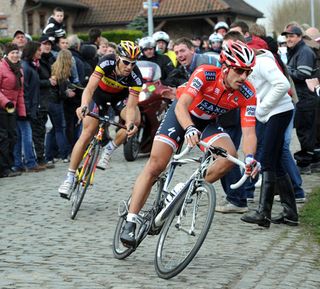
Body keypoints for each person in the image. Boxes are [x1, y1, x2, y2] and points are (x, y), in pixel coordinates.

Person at [120, 40, 260, 247]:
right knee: (156, 165)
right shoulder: (206, 74)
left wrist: (250, 158)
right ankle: (130, 220)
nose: (244, 77)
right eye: (239, 71)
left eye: (248, 72)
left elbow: (249, 132)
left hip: (207, 122)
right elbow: (181, 106)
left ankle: (182, 191)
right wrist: (189, 128)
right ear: (226, 67)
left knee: (229, 157)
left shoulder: (248, 93)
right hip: (180, 116)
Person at [58, 40, 143, 198]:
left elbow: (131, 106)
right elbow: (90, 88)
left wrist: (130, 124)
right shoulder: (106, 62)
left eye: (133, 63)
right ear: (118, 57)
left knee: (135, 121)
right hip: (99, 96)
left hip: (120, 100)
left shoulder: (136, 76)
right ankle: (69, 178)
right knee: (87, 133)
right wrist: (83, 105)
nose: (129, 67)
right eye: (126, 62)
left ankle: (109, 148)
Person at [240, 44, 298, 228]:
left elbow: (283, 84)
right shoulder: (250, 67)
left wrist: (262, 109)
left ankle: (263, 213)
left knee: (266, 159)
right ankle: (290, 213)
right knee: (277, 161)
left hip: (278, 112)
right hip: (273, 114)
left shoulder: (262, 62)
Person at [282, 25, 317, 173]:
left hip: (306, 98)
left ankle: (305, 164)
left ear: (300, 37)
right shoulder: (295, 51)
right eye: (287, 36)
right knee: (305, 132)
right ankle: (312, 162)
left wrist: (285, 69)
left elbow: (303, 74)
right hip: (301, 98)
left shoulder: (305, 51)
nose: (288, 39)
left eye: (292, 36)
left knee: (306, 133)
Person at [15, 41, 45, 173]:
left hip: (29, 106)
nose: (41, 52)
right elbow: (24, 90)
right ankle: (30, 162)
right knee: (26, 134)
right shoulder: (26, 67)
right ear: (32, 51)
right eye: (38, 50)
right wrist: (26, 107)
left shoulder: (32, 66)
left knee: (21, 135)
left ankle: (19, 163)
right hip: (25, 107)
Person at [0, 43, 25, 178]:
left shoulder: (19, 70)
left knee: (12, 137)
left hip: (12, 108)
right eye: (12, 53)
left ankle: (9, 166)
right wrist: (6, 102)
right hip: (2, 107)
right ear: (7, 55)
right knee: (3, 138)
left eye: (17, 52)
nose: (15, 55)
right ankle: (4, 168)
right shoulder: (1, 67)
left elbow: (20, 92)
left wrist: (21, 111)